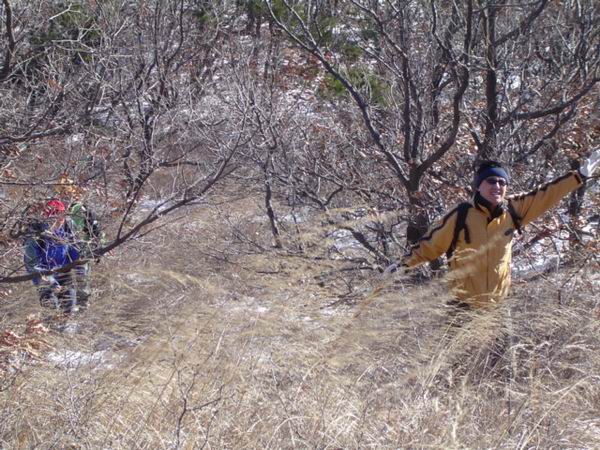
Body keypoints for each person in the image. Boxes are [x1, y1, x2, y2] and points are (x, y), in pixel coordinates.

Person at [395, 150, 600, 309]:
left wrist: (579, 176)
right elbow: (429, 247)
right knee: (456, 355)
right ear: (478, 185)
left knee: (503, 355)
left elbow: (545, 195)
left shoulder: (512, 210)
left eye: (502, 182)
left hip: (499, 308)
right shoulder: (461, 215)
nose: (497, 186)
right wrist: (401, 267)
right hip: (462, 307)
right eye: (491, 181)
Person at [23, 199, 80, 314]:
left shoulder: (67, 230)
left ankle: (68, 324)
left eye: (62, 215)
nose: (60, 219)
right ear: (47, 217)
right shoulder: (35, 237)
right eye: (56, 215)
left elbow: (75, 252)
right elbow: (31, 265)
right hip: (43, 277)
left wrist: (83, 257)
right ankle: (51, 324)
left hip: (63, 273)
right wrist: (51, 281)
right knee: (51, 309)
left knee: (69, 308)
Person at [67, 200, 102, 308]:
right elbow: (97, 233)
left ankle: (73, 304)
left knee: (72, 278)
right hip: (86, 250)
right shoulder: (87, 211)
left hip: (74, 250)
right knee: (83, 278)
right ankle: (82, 304)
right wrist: (97, 250)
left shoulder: (75, 210)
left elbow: (73, 232)